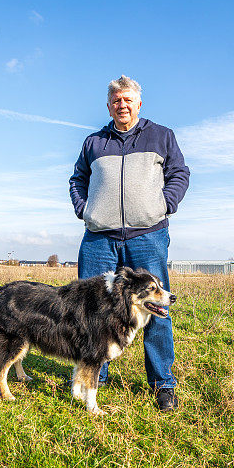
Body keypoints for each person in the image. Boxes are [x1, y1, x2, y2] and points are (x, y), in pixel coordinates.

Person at [69, 75, 190, 411]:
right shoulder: (94, 141)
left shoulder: (161, 136)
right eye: (116, 101)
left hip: (147, 235)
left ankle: (163, 384)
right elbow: (78, 179)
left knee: (157, 308)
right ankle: (94, 376)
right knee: (90, 310)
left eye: (128, 100)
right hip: (99, 237)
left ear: (139, 103)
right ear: (109, 105)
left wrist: (164, 205)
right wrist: (85, 209)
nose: (122, 105)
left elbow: (180, 173)